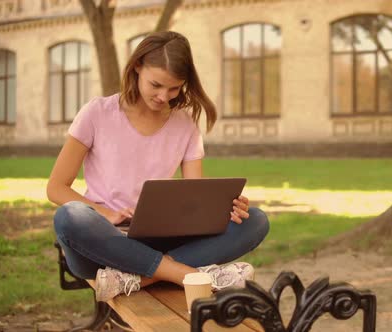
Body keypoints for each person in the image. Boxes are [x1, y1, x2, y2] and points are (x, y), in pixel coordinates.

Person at [47, 31, 270, 302]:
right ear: (137, 66)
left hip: (159, 239)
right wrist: (106, 214)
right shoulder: (97, 113)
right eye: (156, 85)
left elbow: (194, 202)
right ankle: (186, 273)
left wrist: (225, 210)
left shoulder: (185, 126)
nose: (164, 96)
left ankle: (139, 279)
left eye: (174, 88)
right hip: (103, 244)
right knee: (69, 217)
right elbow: (56, 188)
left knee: (255, 221)